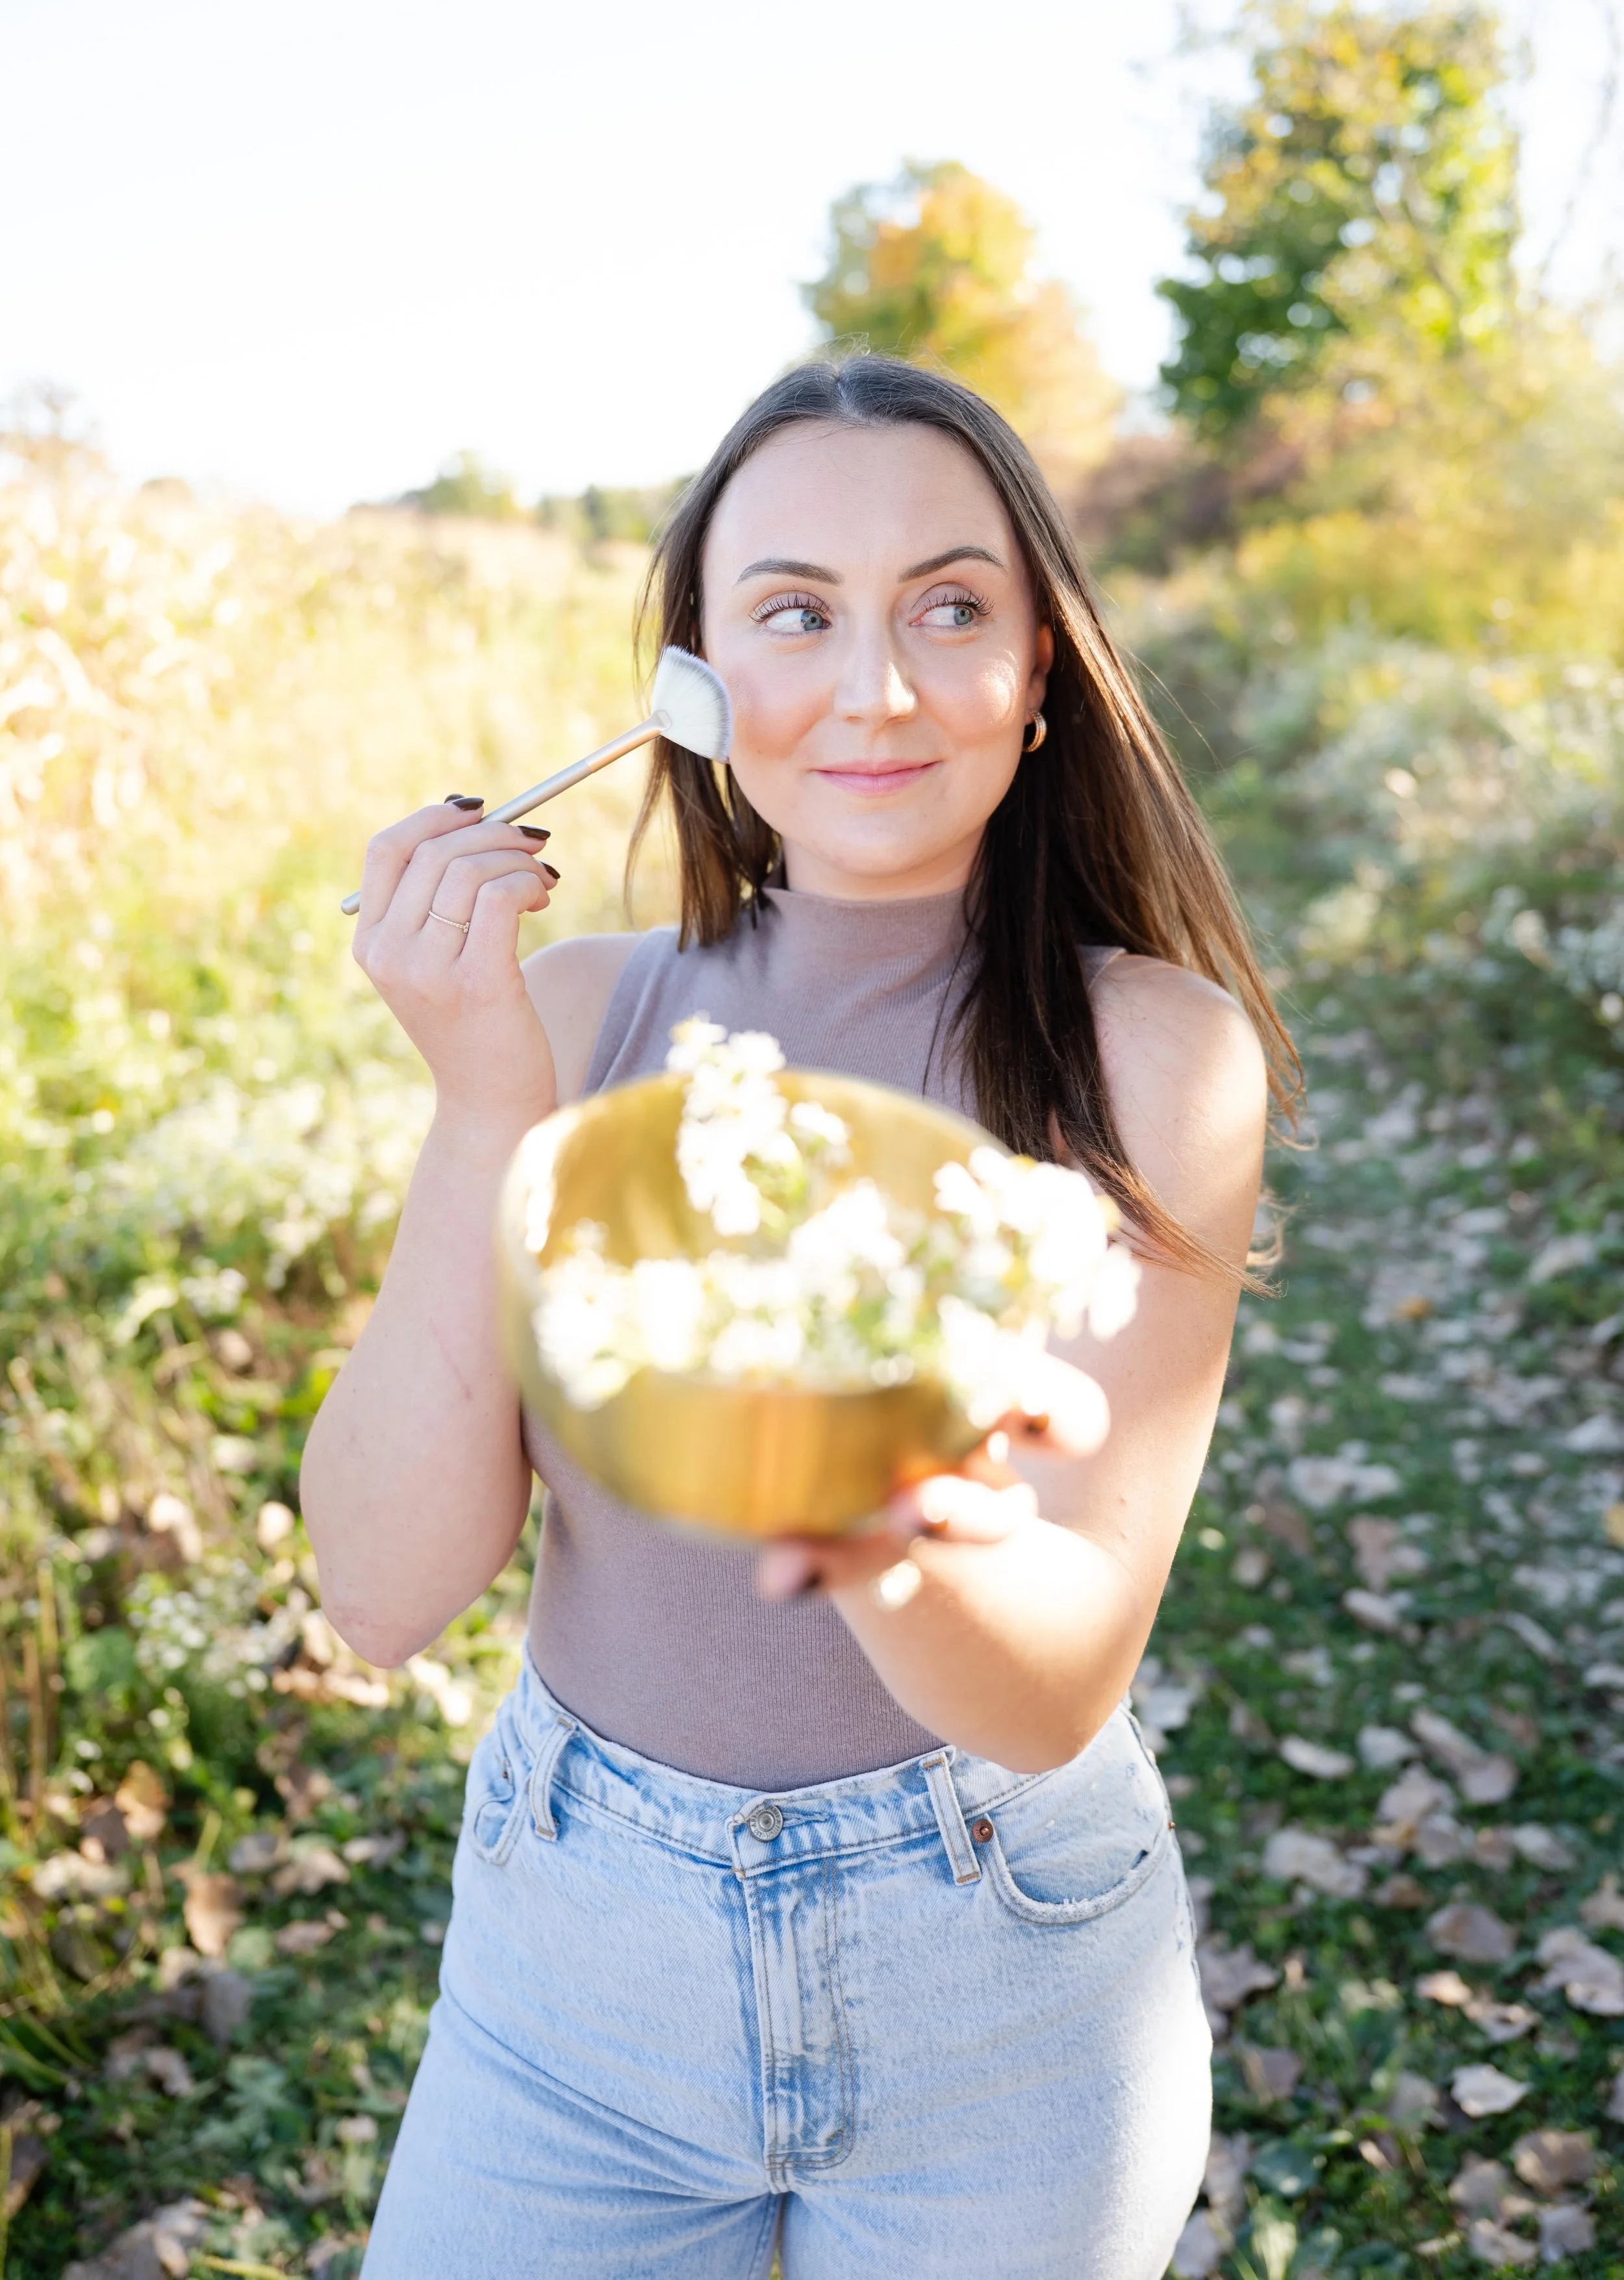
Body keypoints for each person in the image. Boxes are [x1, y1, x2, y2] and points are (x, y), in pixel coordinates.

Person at [303, 355, 1295, 2279]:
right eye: (791, 612)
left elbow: (1046, 1683)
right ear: (692, 673)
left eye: (947, 605)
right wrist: (488, 1098)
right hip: (570, 1978)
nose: (873, 685)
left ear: (1037, 672)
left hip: (998, 1988)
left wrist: (839, 1447)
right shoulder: (577, 1016)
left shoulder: (1151, 1057)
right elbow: (378, 1589)